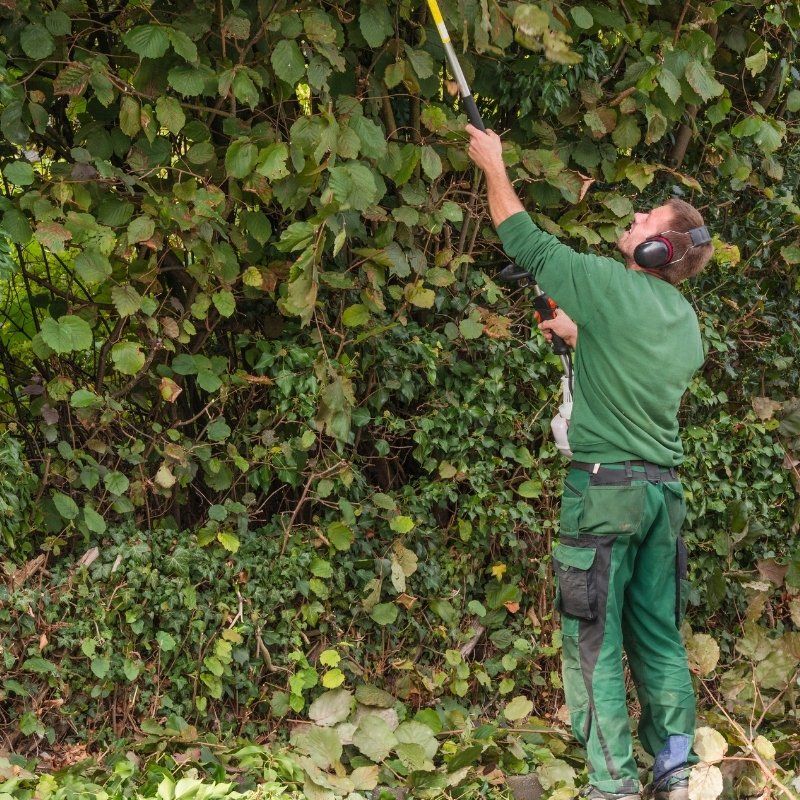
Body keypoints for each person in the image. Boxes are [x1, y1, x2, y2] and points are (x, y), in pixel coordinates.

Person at [464, 124, 714, 800]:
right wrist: (583, 333)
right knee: (659, 636)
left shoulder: (605, 282)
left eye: (645, 221)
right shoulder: (686, 326)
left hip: (604, 495)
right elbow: (632, 351)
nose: (633, 219)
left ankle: (612, 787)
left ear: (656, 247)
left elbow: (523, 238)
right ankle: (677, 774)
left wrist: (494, 164)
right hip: (663, 495)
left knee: (594, 641)